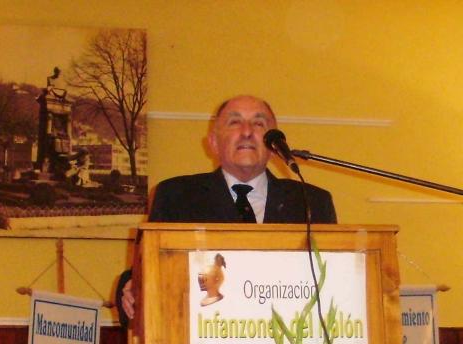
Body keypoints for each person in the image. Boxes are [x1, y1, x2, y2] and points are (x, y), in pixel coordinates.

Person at [117, 94, 337, 324]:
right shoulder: (176, 196)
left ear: (273, 147)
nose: (247, 131)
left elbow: (333, 281)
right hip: (199, 341)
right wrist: (130, 288)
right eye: (234, 122)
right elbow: (147, 270)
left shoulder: (311, 202)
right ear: (213, 143)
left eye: (259, 123)